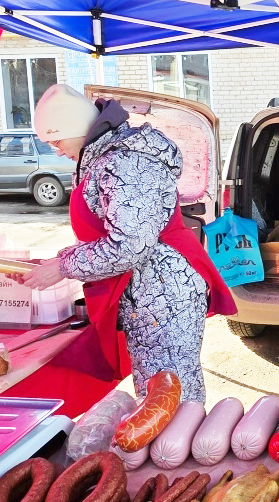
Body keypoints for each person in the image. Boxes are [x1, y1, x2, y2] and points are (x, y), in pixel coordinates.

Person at [19, 84, 236, 403]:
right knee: (160, 393)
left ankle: (174, 453)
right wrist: (57, 262)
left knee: (168, 395)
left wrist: (64, 267)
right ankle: (169, 449)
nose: (54, 148)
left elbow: (130, 245)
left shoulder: (125, 161)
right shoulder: (101, 156)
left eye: (56, 138)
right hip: (146, 290)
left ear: (76, 127)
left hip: (162, 293)